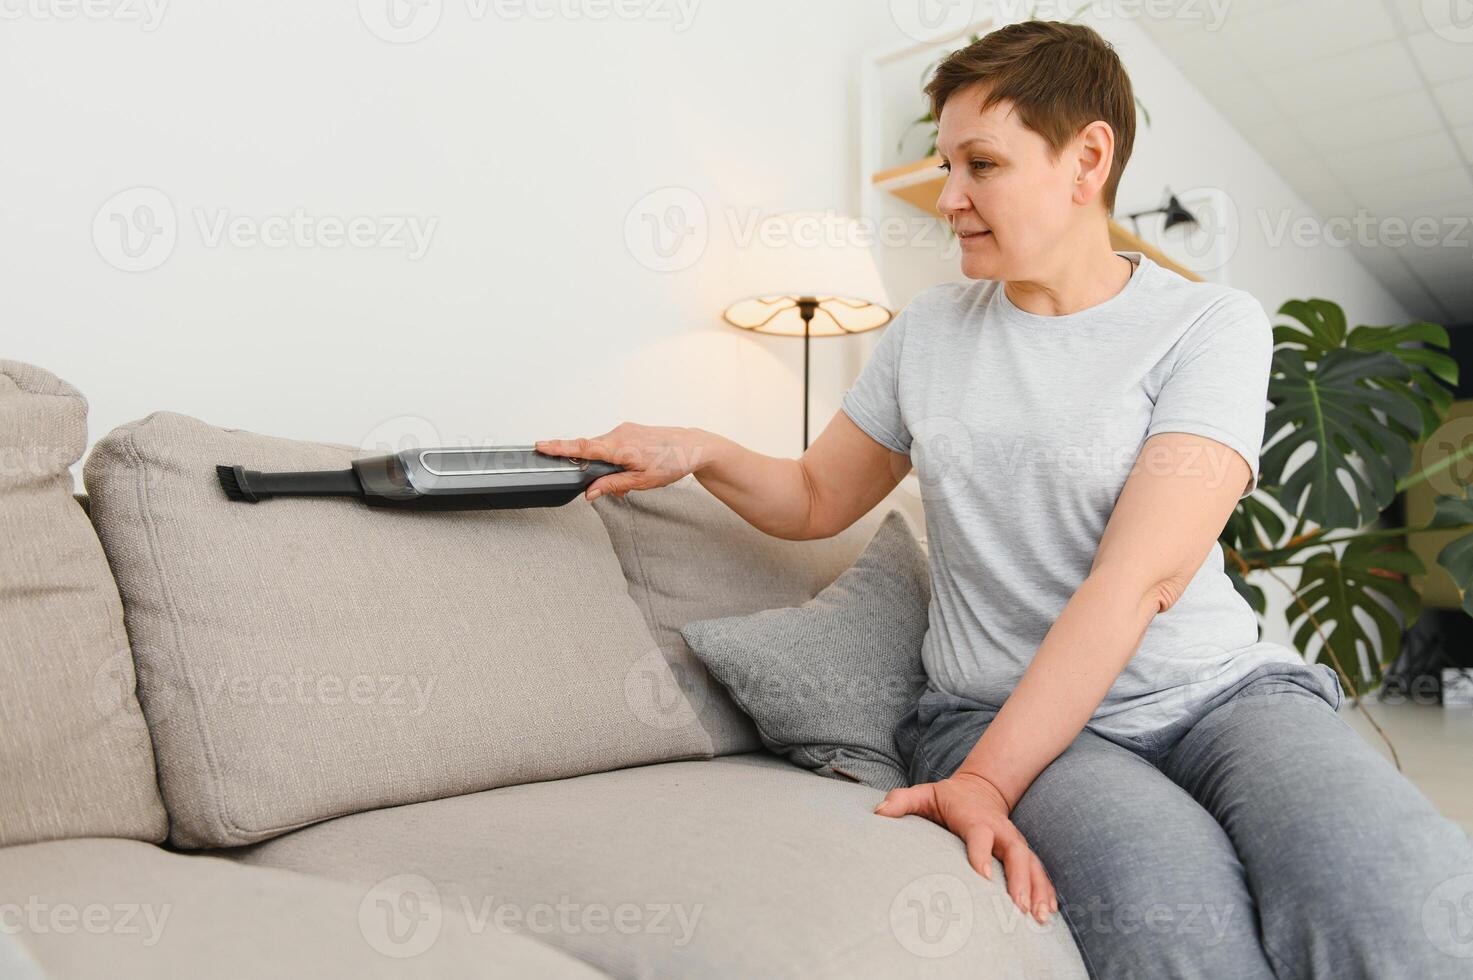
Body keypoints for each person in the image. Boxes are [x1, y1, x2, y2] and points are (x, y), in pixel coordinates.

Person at [537, 19, 1473, 979]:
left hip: (1217, 695)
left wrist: (983, 787)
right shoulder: (930, 331)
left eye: (980, 164)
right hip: (993, 706)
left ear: (1087, 159)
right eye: (944, 165)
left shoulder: (1208, 324)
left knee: (1398, 890)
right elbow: (817, 496)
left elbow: (1140, 577)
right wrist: (701, 449)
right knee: (1178, 924)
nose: (949, 198)